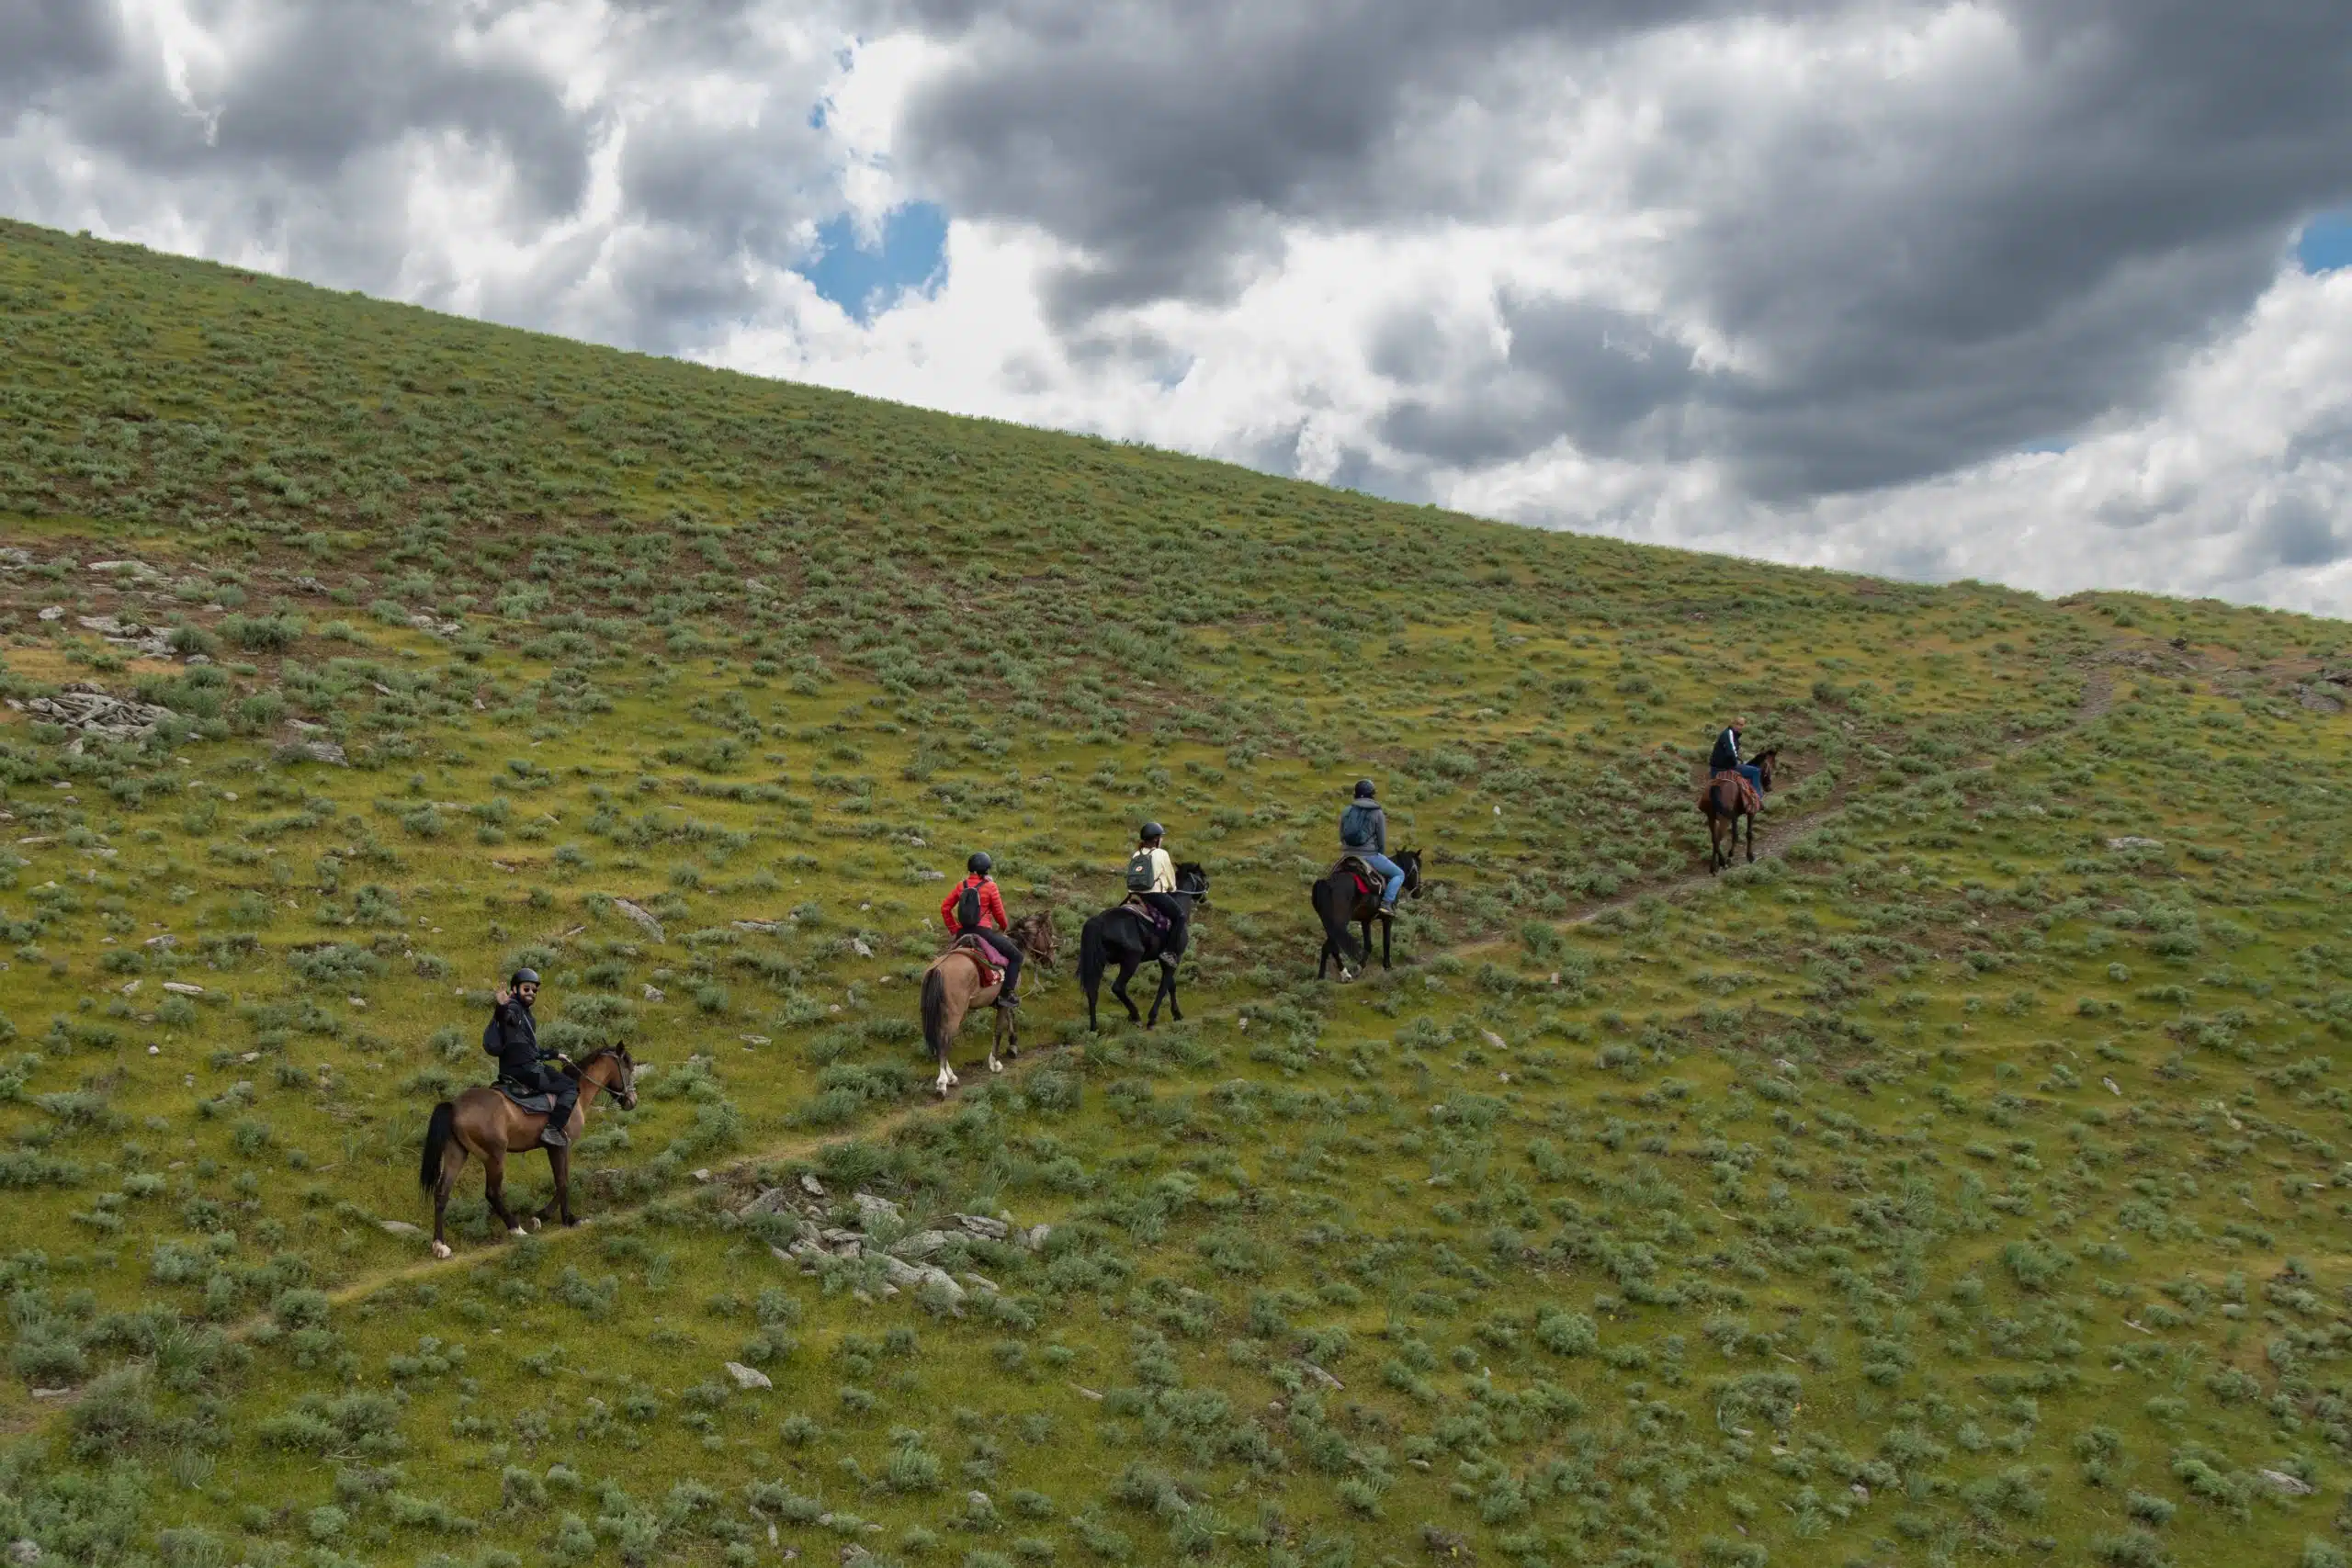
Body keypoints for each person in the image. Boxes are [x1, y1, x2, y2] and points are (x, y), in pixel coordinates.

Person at [485, 967, 576, 1148]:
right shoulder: (514, 1008)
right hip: (526, 1071)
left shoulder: (526, 1015)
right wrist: (501, 1007)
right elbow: (508, 1018)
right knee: (571, 1087)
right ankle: (552, 1129)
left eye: (534, 990)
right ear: (514, 989)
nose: (531, 993)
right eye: (526, 989)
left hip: (517, 1068)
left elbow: (529, 1050)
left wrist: (555, 1055)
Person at [941, 852, 1023, 1008]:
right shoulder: (990, 887)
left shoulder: (961, 885)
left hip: (962, 932)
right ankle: (1006, 994)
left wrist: (954, 929)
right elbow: (999, 914)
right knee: (1016, 957)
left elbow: (945, 908)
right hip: (983, 933)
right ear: (986, 870)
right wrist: (1003, 928)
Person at [1339, 781, 1406, 916]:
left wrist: (1347, 850)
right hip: (1369, 855)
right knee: (1399, 874)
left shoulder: (1346, 810)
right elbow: (1381, 839)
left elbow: (1341, 835)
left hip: (1347, 855)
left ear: (1356, 794)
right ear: (1372, 794)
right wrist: (1380, 854)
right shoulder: (1377, 812)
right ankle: (1386, 904)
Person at [1126, 823, 1188, 935]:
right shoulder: (1161, 853)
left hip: (1134, 894)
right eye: (1161, 837)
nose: (1161, 839)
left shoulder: (1136, 854)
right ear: (1156, 839)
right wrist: (1172, 888)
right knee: (1180, 917)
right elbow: (1170, 878)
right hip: (1154, 895)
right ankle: (1170, 947)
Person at [1709, 717, 1764, 802]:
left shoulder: (1729, 734)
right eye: (1737, 724)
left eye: (1741, 725)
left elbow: (1730, 752)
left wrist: (1738, 760)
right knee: (1756, 771)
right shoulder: (1729, 733)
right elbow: (1731, 752)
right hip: (1725, 768)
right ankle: (1758, 798)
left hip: (1715, 768)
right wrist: (1736, 762)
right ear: (1732, 724)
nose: (1739, 727)